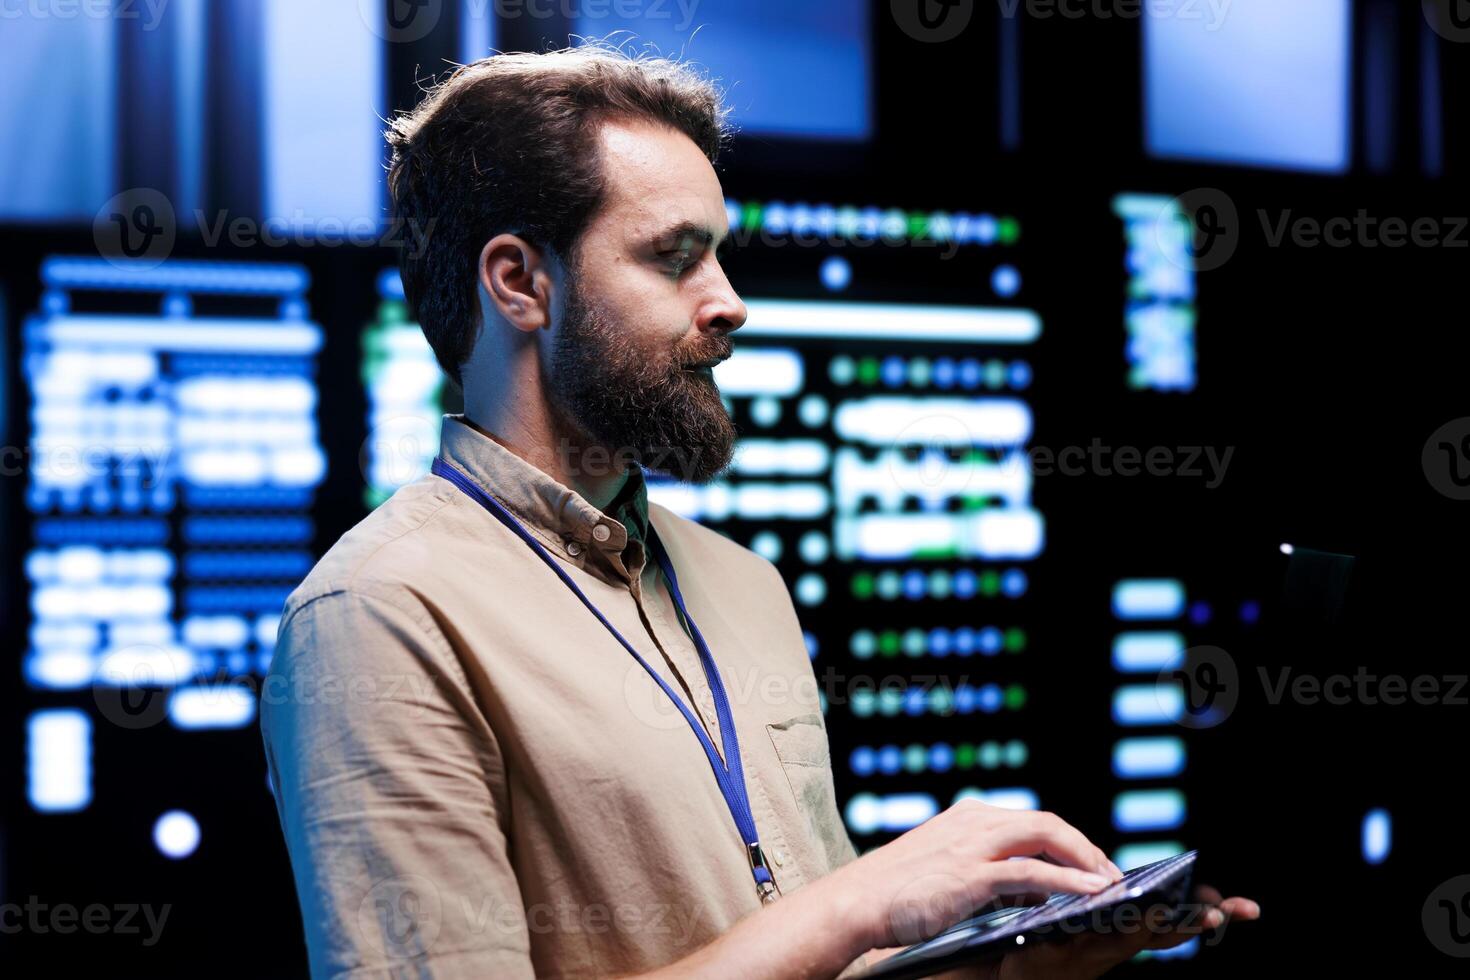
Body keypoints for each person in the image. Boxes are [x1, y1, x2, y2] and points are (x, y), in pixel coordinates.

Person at [259, 42, 1258, 979]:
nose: (730, 301)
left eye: (720, 255)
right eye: (673, 256)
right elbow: (834, 924)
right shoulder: (378, 614)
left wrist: (1013, 964)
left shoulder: (742, 583)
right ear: (521, 282)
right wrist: (861, 901)